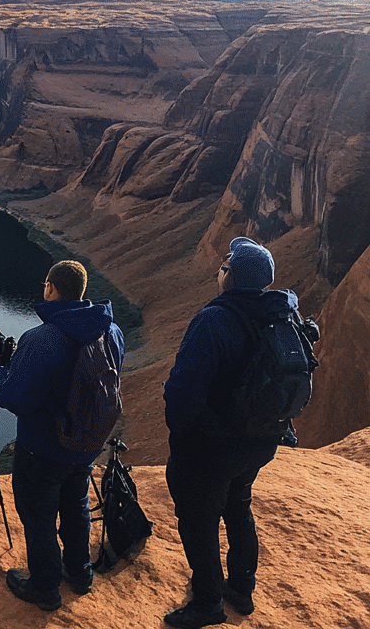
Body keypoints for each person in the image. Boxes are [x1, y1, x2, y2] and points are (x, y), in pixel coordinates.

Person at [162, 237, 296, 628]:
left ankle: (207, 602)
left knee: (198, 520)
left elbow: (183, 388)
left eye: (224, 267)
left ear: (232, 277)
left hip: (211, 446)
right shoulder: (279, 315)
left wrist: (181, 435)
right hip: (259, 442)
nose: (217, 271)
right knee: (238, 507)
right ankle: (241, 589)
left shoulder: (215, 319)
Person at [0, 259, 125, 611]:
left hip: (42, 449)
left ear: (50, 288)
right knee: (75, 505)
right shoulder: (112, 332)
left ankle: (45, 587)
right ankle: (79, 573)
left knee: (39, 516)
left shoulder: (42, 338)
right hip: (86, 446)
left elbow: (14, 398)